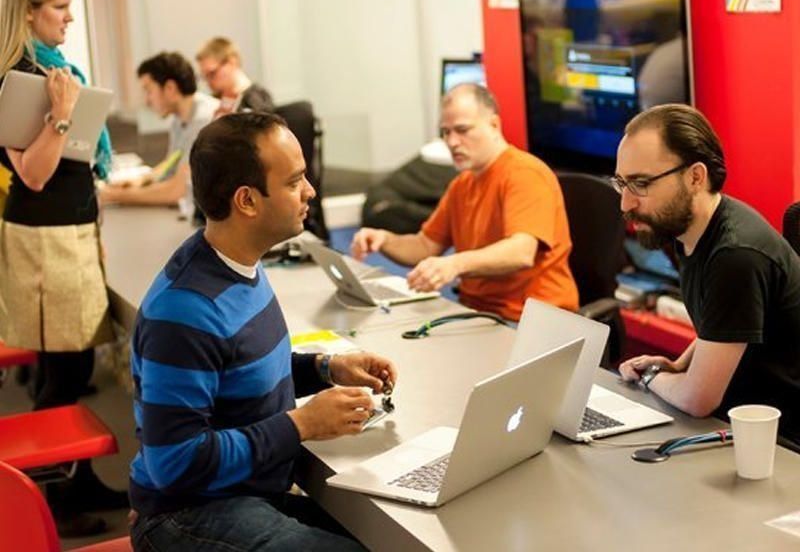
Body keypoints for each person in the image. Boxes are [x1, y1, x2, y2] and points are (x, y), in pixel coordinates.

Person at [129, 112, 396, 551]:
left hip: (244, 495)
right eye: (294, 182)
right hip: (186, 513)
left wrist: (326, 369)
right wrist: (303, 424)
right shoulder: (184, 310)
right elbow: (173, 463)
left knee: (386, 540)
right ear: (247, 201)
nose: (310, 191)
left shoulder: (238, 263)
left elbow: (237, 372)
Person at [0, 0, 126, 536]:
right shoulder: (17, 80)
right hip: (43, 237)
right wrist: (62, 116)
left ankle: (75, 480)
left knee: (73, 362)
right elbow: (33, 174)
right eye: (60, 7)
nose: (70, 17)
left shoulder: (55, 71)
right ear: (29, 12)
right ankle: (53, 496)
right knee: (65, 367)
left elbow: (75, 163)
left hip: (69, 231)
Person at [615, 104, 800, 446]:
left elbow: (698, 399)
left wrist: (650, 376)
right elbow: (722, 325)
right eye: (622, 183)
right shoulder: (687, 229)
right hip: (737, 422)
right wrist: (678, 366)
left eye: (640, 184)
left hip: (777, 443)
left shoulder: (735, 256)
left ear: (695, 178)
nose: (626, 203)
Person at [351, 84, 579, 322]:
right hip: (478, 313)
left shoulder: (525, 174)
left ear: (494, 125)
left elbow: (521, 252)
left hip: (529, 319)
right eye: (446, 132)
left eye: (462, 130)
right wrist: (385, 240)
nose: (452, 142)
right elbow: (425, 246)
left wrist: (455, 264)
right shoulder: (462, 184)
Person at [99, 52, 218, 206]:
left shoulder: (204, 120)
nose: (147, 101)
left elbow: (177, 190)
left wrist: (112, 195)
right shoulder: (179, 120)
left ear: (170, 88)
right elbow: (170, 165)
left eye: (149, 91)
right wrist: (141, 181)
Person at [196, 36, 274, 117]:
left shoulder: (256, 100)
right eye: (204, 76)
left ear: (232, 62)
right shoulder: (213, 101)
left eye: (212, 73)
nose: (208, 81)